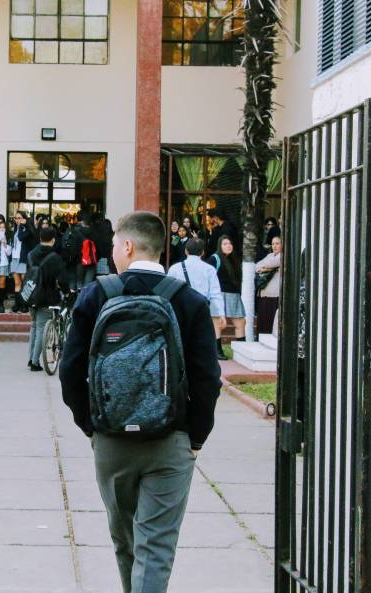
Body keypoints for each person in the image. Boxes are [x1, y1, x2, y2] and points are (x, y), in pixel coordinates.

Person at [59, 211, 221, 593]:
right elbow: (208, 379)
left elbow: (70, 373)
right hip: (171, 440)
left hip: (112, 440)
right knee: (156, 545)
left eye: (114, 243)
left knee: (125, 540)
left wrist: (92, 426)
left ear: (127, 246)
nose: (113, 250)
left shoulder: (96, 295)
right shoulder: (189, 301)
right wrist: (195, 438)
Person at [167, 237, 226, 359]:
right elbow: (215, 294)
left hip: (180, 308)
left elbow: (168, 292)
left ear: (186, 251)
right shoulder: (209, 269)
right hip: (202, 309)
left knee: (181, 341)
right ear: (203, 252)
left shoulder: (175, 268)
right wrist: (221, 314)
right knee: (200, 343)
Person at [26, 227, 67, 371]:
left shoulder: (30, 254)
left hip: (31, 295)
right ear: (53, 240)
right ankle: (35, 362)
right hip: (47, 297)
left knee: (35, 326)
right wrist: (67, 291)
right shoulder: (55, 257)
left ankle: (31, 358)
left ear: (40, 238)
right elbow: (61, 280)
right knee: (41, 328)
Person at [207, 235, 246, 348]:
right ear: (220, 246)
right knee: (218, 324)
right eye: (225, 244)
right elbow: (208, 276)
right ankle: (218, 351)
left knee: (241, 322)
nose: (228, 246)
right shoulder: (214, 258)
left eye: (230, 243)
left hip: (234, 295)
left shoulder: (234, 258)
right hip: (218, 294)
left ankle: (241, 350)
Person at [10, 211, 37, 312]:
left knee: (24, 282)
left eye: (20, 218)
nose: (17, 220)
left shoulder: (27, 229)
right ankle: (17, 304)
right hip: (14, 258)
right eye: (16, 218)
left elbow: (21, 238)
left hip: (23, 258)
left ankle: (24, 305)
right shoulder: (15, 230)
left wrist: (23, 225)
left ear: (24, 219)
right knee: (17, 282)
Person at [255, 235, 282, 334]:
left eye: (277, 243)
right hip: (264, 292)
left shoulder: (282, 256)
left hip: (274, 294)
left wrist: (266, 268)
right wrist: (266, 268)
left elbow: (272, 263)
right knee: (263, 321)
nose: (274, 246)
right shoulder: (270, 255)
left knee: (271, 320)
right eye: (273, 244)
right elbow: (257, 266)